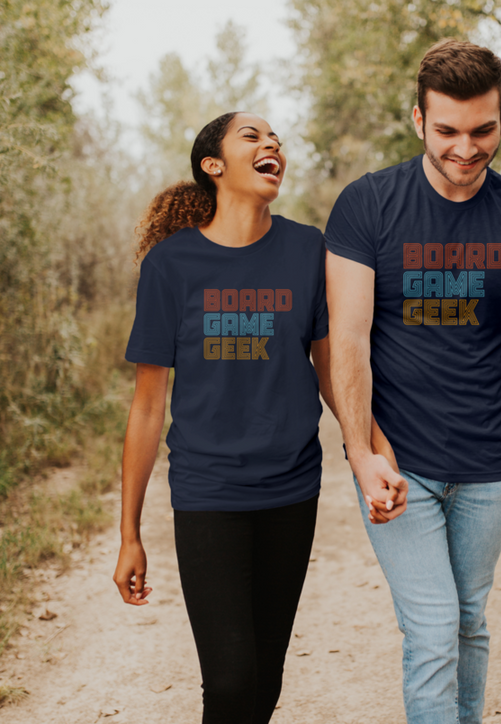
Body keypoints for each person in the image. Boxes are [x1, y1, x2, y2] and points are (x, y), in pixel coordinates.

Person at [112, 111, 397, 724]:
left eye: (277, 140)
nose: (271, 144)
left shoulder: (306, 250)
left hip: (291, 489)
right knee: (231, 676)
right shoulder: (170, 266)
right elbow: (146, 407)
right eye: (252, 136)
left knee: (265, 677)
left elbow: (333, 372)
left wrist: (369, 451)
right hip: (207, 490)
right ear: (213, 165)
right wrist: (130, 534)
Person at [324, 39, 501, 724]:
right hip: (398, 463)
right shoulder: (367, 206)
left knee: (468, 621)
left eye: (482, 130)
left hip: (487, 467)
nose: (465, 148)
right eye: (447, 131)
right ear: (417, 120)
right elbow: (344, 340)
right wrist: (360, 451)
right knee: (435, 628)